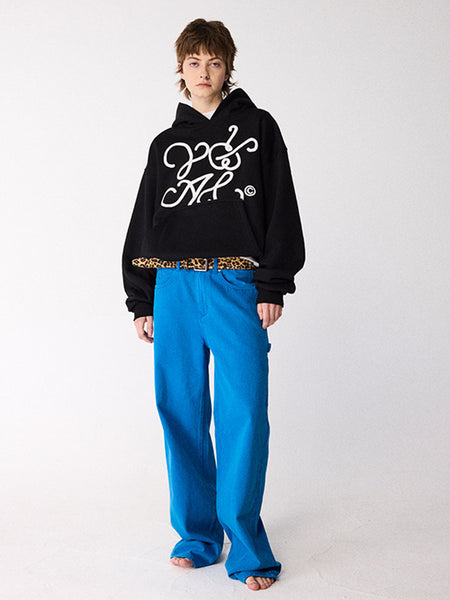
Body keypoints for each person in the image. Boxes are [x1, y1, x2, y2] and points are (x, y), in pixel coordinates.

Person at [121, 18, 306, 592]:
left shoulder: (258, 128)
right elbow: (145, 221)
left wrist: (272, 284)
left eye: (215, 62)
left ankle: (247, 550)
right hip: (174, 286)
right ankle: (198, 536)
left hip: (235, 284)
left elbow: (281, 206)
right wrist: (142, 296)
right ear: (181, 69)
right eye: (194, 62)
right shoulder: (165, 144)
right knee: (179, 408)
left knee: (244, 411)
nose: (204, 72)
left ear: (228, 68)